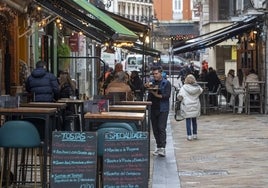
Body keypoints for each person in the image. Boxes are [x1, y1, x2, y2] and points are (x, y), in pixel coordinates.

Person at [144, 66, 171, 157]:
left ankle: (162, 148)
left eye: (156, 73)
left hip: (163, 108)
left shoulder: (166, 83)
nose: (155, 75)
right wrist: (145, 86)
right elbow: (144, 89)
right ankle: (159, 146)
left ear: (161, 73)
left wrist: (155, 94)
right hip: (152, 108)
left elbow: (166, 96)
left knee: (161, 127)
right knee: (155, 129)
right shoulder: (151, 82)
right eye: (154, 74)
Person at [177, 74, 203, 141]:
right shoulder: (197, 87)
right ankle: (195, 134)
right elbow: (201, 91)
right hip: (195, 105)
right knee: (194, 120)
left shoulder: (183, 88)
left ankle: (189, 135)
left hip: (187, 106)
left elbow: (179, 96)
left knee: (188, 120)